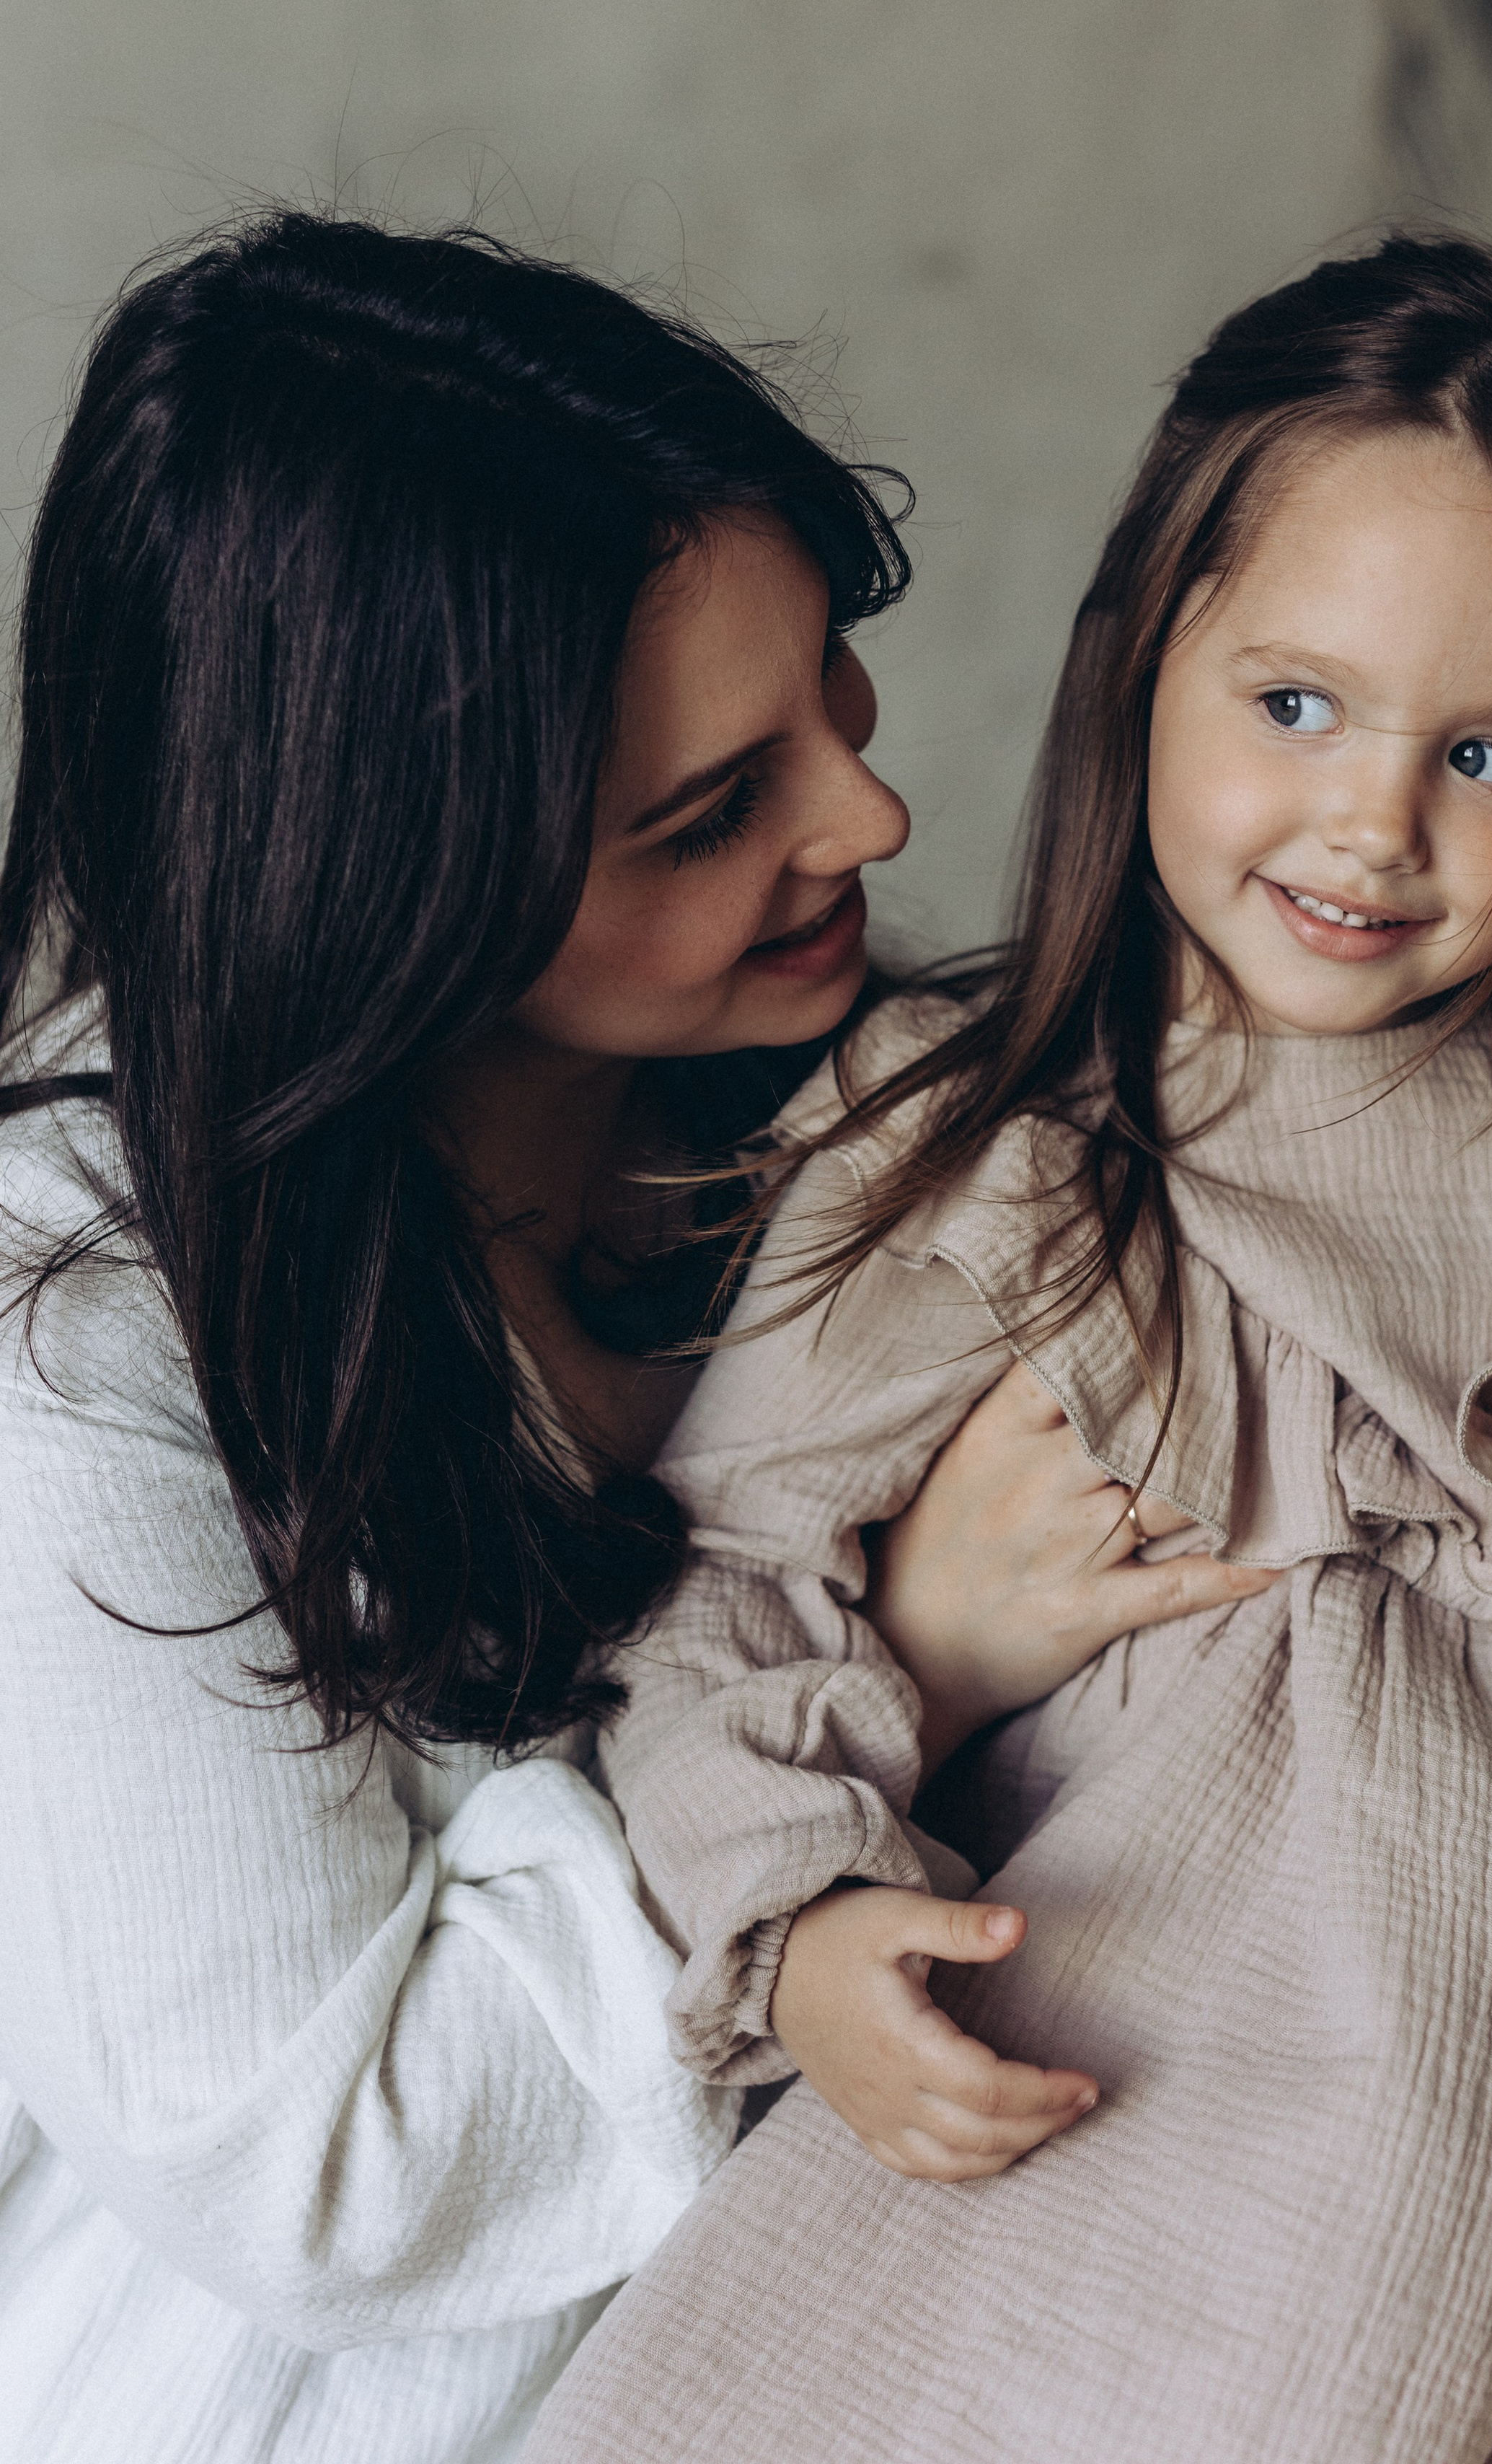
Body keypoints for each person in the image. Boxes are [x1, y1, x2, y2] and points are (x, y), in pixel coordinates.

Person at [524, 236, 1492, 2464]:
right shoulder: (983, 1148)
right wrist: (810, 1925)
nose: (1372, 823)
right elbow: (727, 1568)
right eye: (1295, 704)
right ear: (1142, 663)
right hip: (1154, 2067)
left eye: (1490, 755)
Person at [0, 213, 1278, 2464]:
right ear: (383, 877)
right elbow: (327, 2162)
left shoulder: (848, 1111)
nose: (872, 822)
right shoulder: (89, 1346)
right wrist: (891, 1662)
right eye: (712, 813)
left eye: (834, 698)